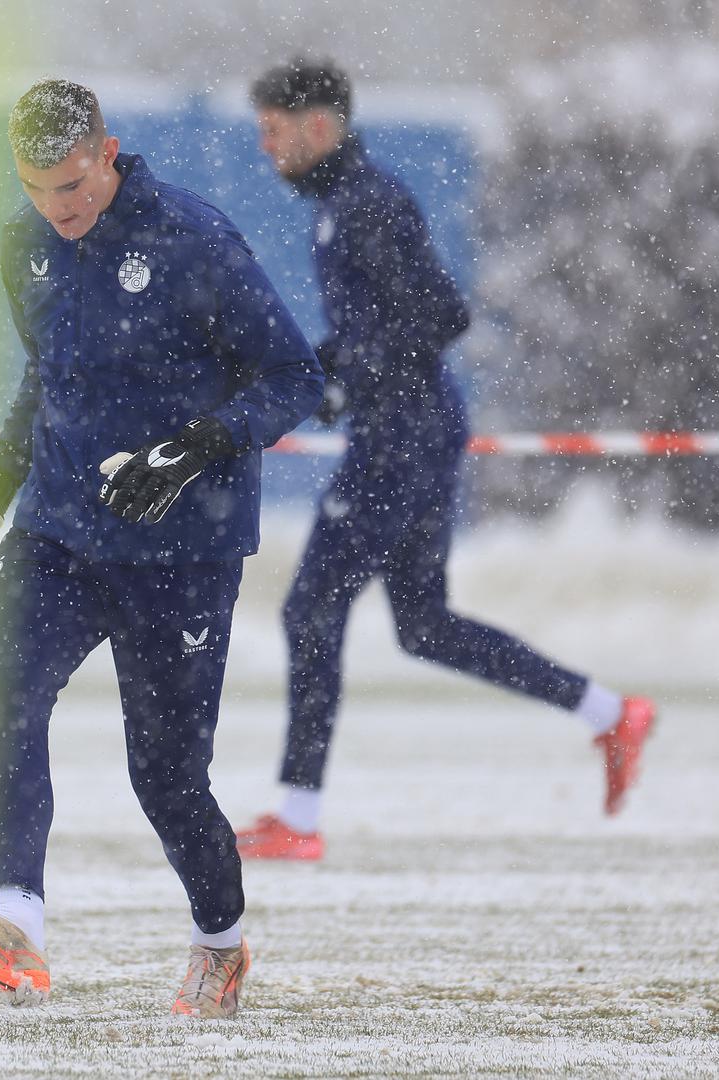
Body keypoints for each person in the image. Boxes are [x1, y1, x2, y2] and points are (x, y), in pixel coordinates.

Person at [0, 79, 323, 1018]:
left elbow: (293, 376)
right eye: (41, 190)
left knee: (165, 777)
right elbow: (46, 382)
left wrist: (190, 450)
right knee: (6, 698)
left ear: (109, 151)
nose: (62, 208)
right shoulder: (26, 246)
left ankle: (220, 945)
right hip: (57, 535)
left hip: (184, 552)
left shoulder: (196, 240)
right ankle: (17, 928)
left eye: (76, 185)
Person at [235, 58, 656, 862]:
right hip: (413, 430)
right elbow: (375, 331)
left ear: (318, 127)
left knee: (309, 610)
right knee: (423, 628)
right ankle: (612, 715)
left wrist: (344, 380)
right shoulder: (343, 203)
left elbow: (440, 314)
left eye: (274, 132)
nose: (265, 149)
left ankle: (297, 816)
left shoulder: (366, 202)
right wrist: (317, 375)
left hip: (401, 439)